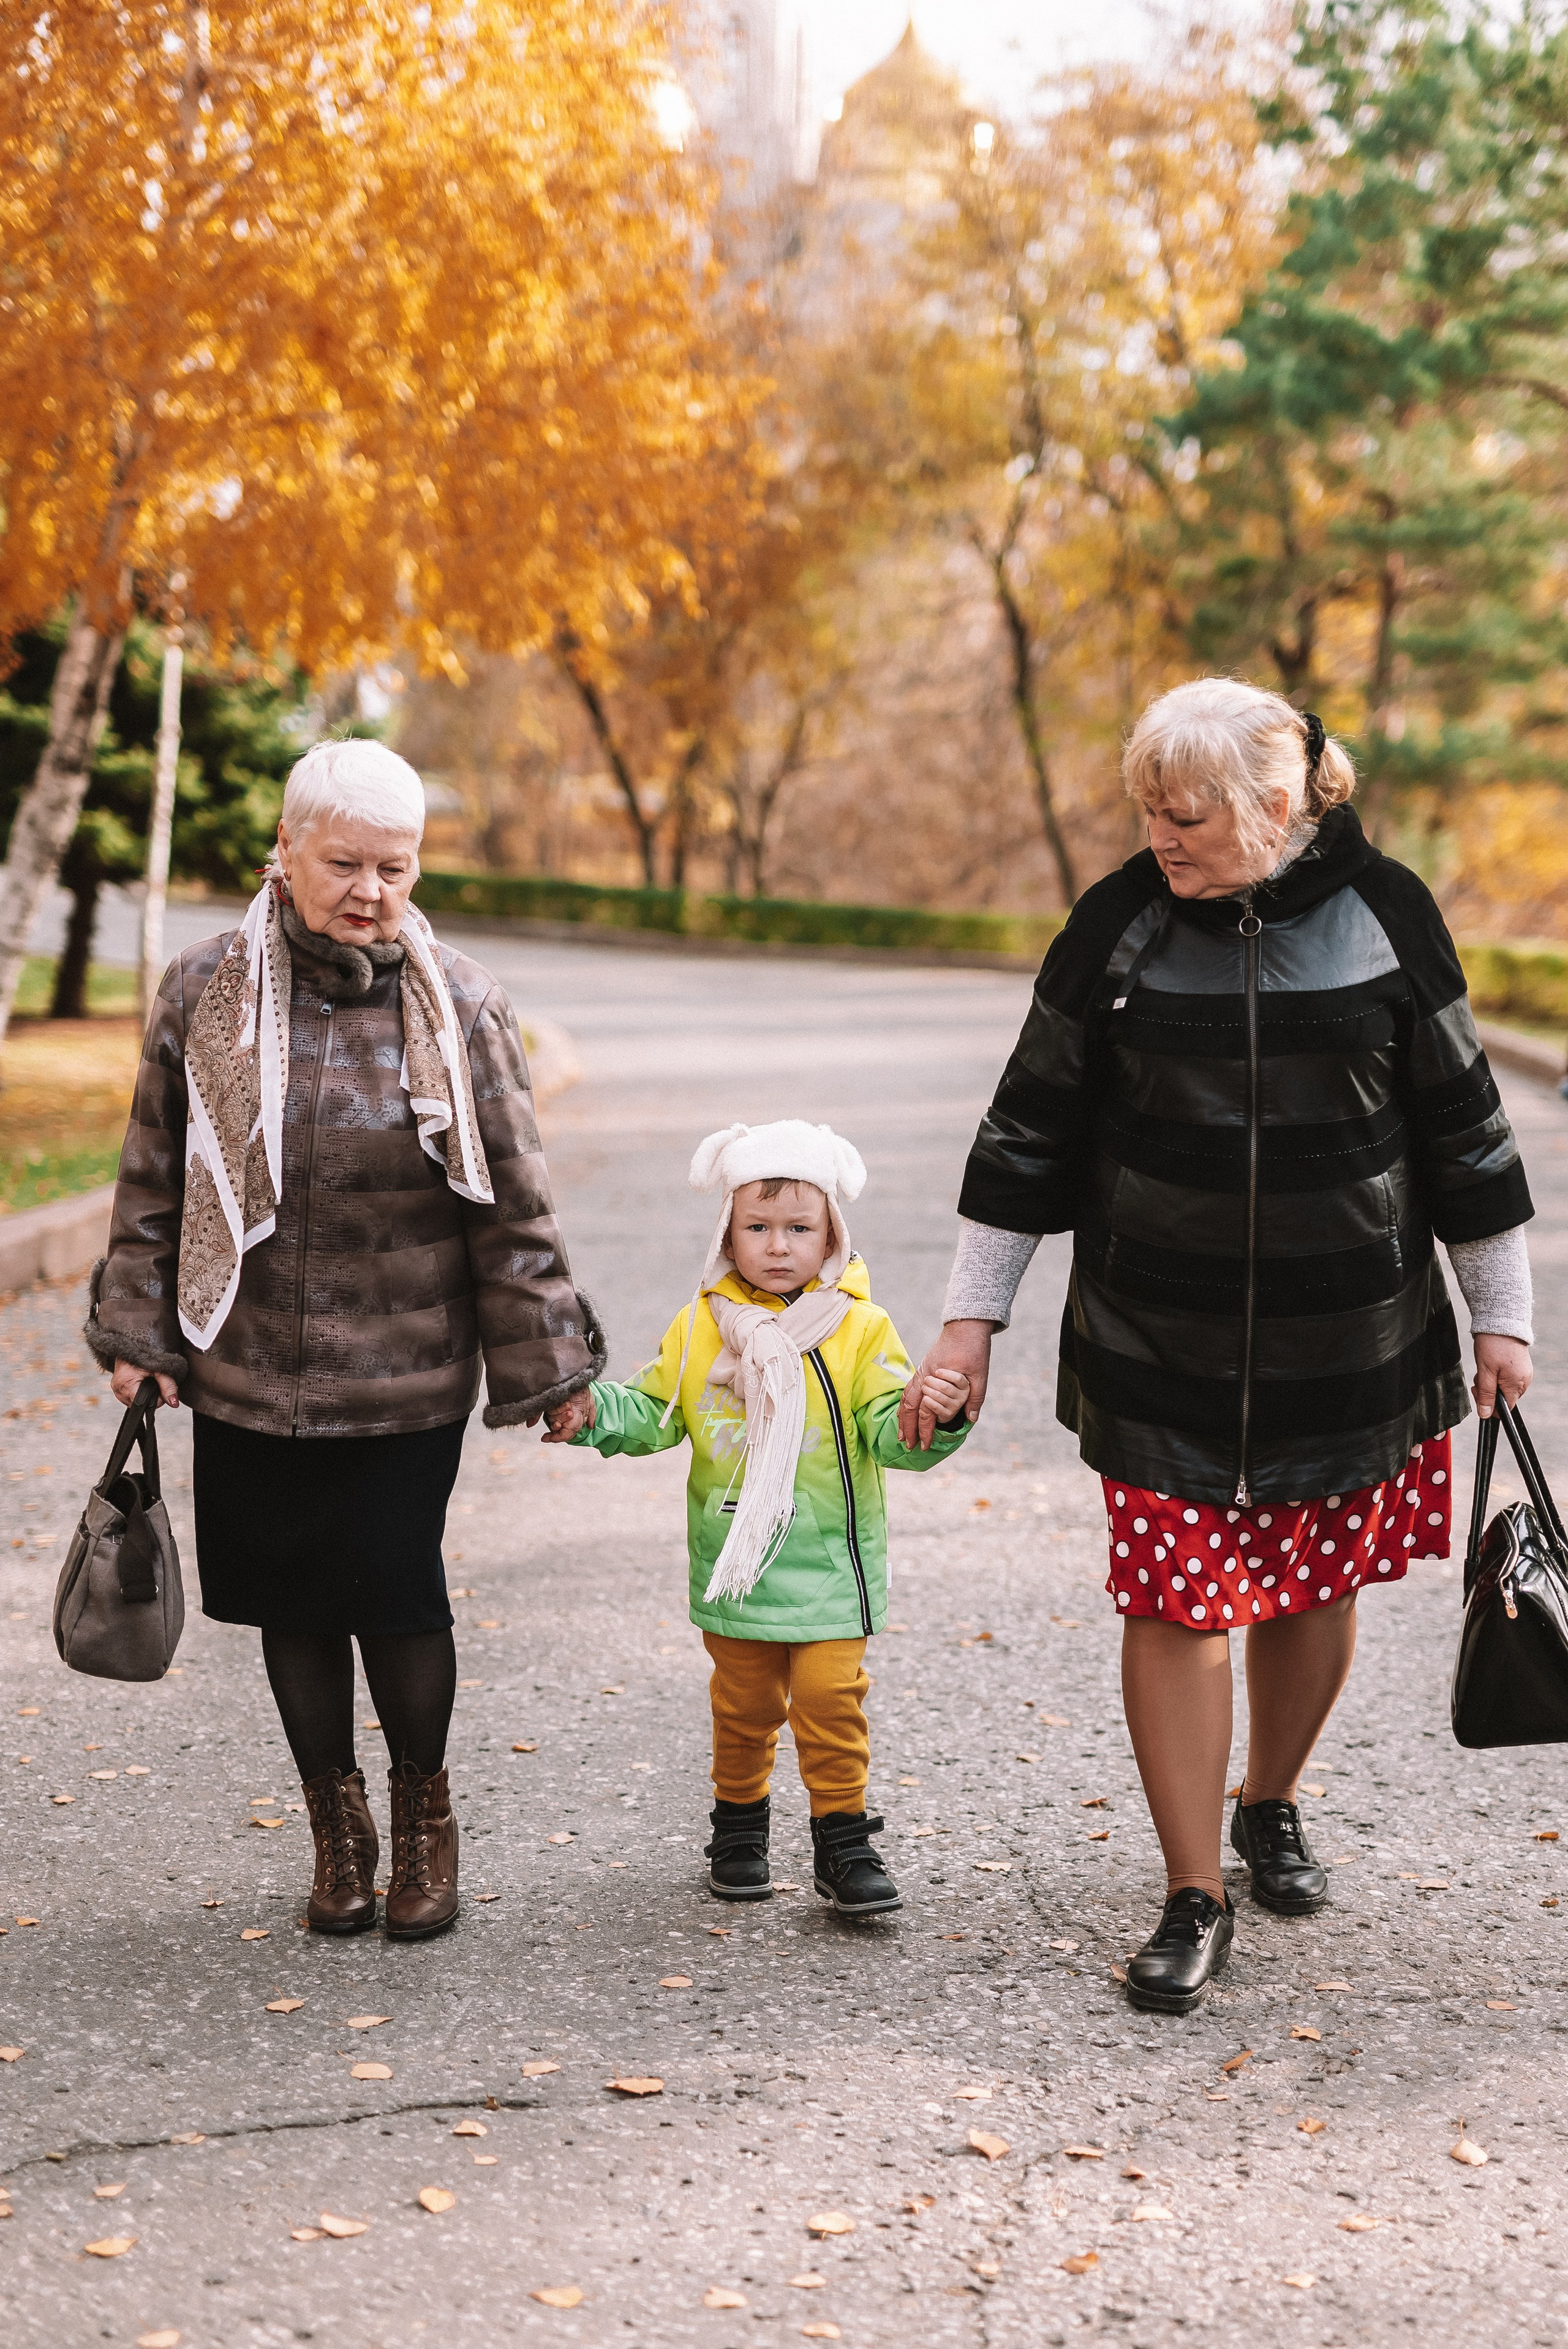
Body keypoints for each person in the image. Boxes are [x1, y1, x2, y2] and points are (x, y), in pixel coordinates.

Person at [902, 677, 1534, 2013]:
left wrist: (1501, 1315)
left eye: (1182, 814)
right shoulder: (1116, 926)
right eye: (1144, 810)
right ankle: (1191, 1890)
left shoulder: (1387, 915)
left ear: (1274, 805)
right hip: (1156, 1343)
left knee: (1311, 1590)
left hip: (1349, 1342)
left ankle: (1269, 1799)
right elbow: (1026, 1129)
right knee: (1174, 1602)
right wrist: (972, 1318)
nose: (1158, 837)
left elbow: (1463, 1130)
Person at [85, 739, 602, 1942]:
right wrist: (138, 1327)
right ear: (285, 850)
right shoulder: (203, 988)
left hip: (405, 1374)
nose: (371, 891)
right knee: (289, 1604)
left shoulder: (460, 1003)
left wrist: (548, 1367)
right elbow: (155, 1172)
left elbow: (512, 1204)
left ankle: (426, 1822)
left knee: (396, 1596)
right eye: (345, 863)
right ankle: (339, 1831)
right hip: (246, 1363)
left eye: (396, 867)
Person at [545, 1119, 971, 1916]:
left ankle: (843, 1842)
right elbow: (655, 1409)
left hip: (827, 1570)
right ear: (728, 1235)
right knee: (742, 1710)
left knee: (829, 1702)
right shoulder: (701, 1325)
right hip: (736, 1562)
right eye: (759, 1227)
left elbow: (891, 1430)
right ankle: (738, 1832)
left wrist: (935, 1416)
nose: (779, 1246)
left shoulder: (858, 1328)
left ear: (831, 1235)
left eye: (800, 1229)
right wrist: (594, 1410)